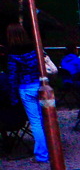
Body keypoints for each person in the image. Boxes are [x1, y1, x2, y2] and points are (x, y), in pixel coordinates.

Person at [5, 23, 49, 162]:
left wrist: (13, 97)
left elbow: (12, 76)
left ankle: (42, 154)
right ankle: (51, 149)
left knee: (35, 121)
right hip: (40, 84)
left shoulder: (12, 52)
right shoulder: (34, 47)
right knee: (46, 119)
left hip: (26, 87)